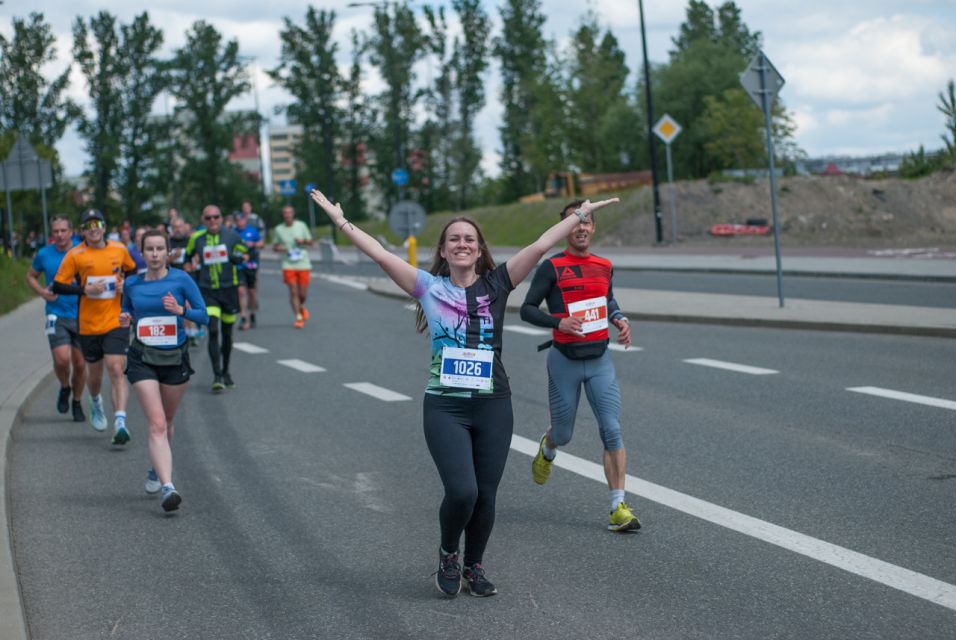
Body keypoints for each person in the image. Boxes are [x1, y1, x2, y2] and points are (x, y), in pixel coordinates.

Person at [310, 188, 620, 598]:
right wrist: (340, 221)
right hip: (446, 407)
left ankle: (474, 564)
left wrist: (579, 213)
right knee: (462, 491)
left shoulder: (499, 283)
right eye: (454, 238)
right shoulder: (427, 287)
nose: (462, 244)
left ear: (478, 251)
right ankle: (447, 553)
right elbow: (380, 255)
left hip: (493, 404)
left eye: (469, 239)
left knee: (486, 495)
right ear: (444, 248)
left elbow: (542, 244)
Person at [520, 200, 640, 533]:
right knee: (564, 433)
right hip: (564, 362)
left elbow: (607, 298)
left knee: (611, 429)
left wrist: (619, 318)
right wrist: (558, 322)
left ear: (593, 227)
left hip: (600, 360)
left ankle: (618, 507)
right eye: (575, 223)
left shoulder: (604, 264)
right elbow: (527, 309)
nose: (582, 228)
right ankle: (549, 446)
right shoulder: (552, 267)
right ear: (566, 230)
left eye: (587, 222)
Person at [121, 229, 208, 512]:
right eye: (150, 249)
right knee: (157, 423)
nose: (155, 254)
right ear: (141, 252)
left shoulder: (181, 279)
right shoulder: (132, 284)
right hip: (142, 358)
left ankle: (154, 468)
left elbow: (203, 316)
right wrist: (125, 319)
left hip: (174, 357)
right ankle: (168, 487)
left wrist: (181, 312)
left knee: (168, 421)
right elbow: (128, 313)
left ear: (168, 252)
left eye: (160, 249)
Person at [52, 209, 137, 444]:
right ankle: (96, 400)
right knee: (95, 376)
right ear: (82, 231)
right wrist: (84, 290)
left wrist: (125, 284)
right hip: (89, 324)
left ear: (105, 226)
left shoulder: (119, 249)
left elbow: (132, 270)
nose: (93, 229)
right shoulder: (75, 254)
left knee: (117, 368)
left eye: (97, 223)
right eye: (88, 226)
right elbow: (58, 286)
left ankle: (120, 422)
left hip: (115, 320)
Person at [25, 215, 86, 422]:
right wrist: (42, 292)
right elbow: (30, 275)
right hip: (55, 312)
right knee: (61, 360)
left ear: (71, 231)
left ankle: (77, 402)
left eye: (63, 230)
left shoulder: (82, 250)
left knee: (79, 364)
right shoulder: (44, 254)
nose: (59, 235)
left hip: (82, 314)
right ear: (52, 234)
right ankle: (64, 386)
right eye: (56, 231)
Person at [184, 205, 248, 392]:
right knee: (213, 330)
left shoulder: (232, 236)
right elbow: (187, 256)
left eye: (216, 217)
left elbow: (244, 252)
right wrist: (188, 267)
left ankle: (226, 372)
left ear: (221, 218)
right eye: (208, 218)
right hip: (208, 290)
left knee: (227, 334)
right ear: (203, 220)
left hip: (229, 290)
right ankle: (217, 375)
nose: (212, 220)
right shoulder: (196, 238)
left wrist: (239, 257)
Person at [272, 205, 313, 329]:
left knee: (302, 293)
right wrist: (280, 248)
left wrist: (302, 241)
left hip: (303, 262)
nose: (288, 215)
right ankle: (298, 318)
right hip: (288, 263)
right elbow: (274, 246)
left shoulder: (301, 225)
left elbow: (311, 242)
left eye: (289, 212)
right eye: (285, 213)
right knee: (293, 291)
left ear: (293, 214)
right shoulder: (279, 229)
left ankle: (301, 307)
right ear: (283, 215)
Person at [234, 210, 264, 330]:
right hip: (239, 265)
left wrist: (254, 244)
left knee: (252, 292)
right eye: (237, 221)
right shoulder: (233, 233)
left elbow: (262, 244)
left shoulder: (252, 231)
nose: (239, 222)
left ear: (244, 220)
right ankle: (243, 317)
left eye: (241, 220)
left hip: (251, 265)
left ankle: (252, 313)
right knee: (241, 292)